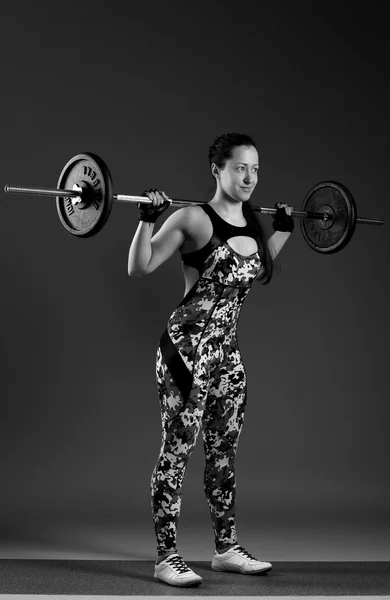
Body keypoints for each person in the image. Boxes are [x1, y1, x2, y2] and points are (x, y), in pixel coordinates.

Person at [128, 133, 294, 587]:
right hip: (186, 352)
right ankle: (167, 558)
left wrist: (282, 230)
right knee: (177, 451)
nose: (249, 177)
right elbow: (140, 266)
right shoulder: (191, 218)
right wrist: (147, 220)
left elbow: (253, 271)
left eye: (256, 168)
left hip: (226, 355)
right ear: (217, 169)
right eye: (240, 167)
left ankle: (225, 549)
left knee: (224, 453)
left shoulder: (254, 224)